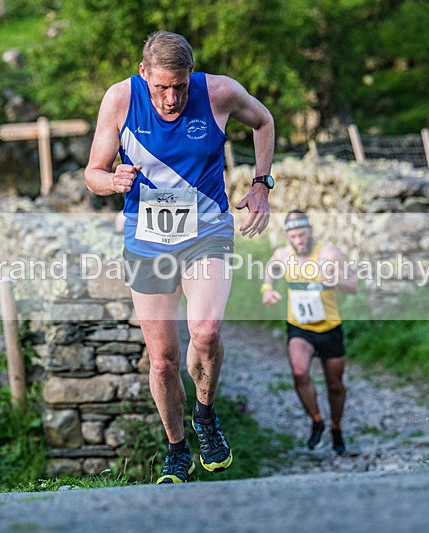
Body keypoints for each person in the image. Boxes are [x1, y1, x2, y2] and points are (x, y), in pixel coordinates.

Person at [85, 31, 275, 483]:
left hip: (206, 230)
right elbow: (93, 172)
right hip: (147, 241)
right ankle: (176, 449)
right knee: (163, 360)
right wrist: (111, 181)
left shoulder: (219, 92)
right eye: (161, 87)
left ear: (192, 74)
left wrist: (261, 184)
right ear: (143, 73)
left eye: (180, 86)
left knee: (205, 331)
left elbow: (264, 121)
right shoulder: (120, 100)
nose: (171, 99)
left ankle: (205, 415)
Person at [261, 210, 357, 453]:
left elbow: (353, 285)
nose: (298, 241)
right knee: (299, 372)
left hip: (329, 328)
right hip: (299, 327)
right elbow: (270, 271)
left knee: (335, 385)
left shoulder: (329, 255)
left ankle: (336, 427)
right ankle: (317, 421)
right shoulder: (282, 255)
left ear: (311, 231)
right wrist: (267, 290)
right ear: (288, 236)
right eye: (293, 236)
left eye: (302, 235)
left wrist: (334, 281)